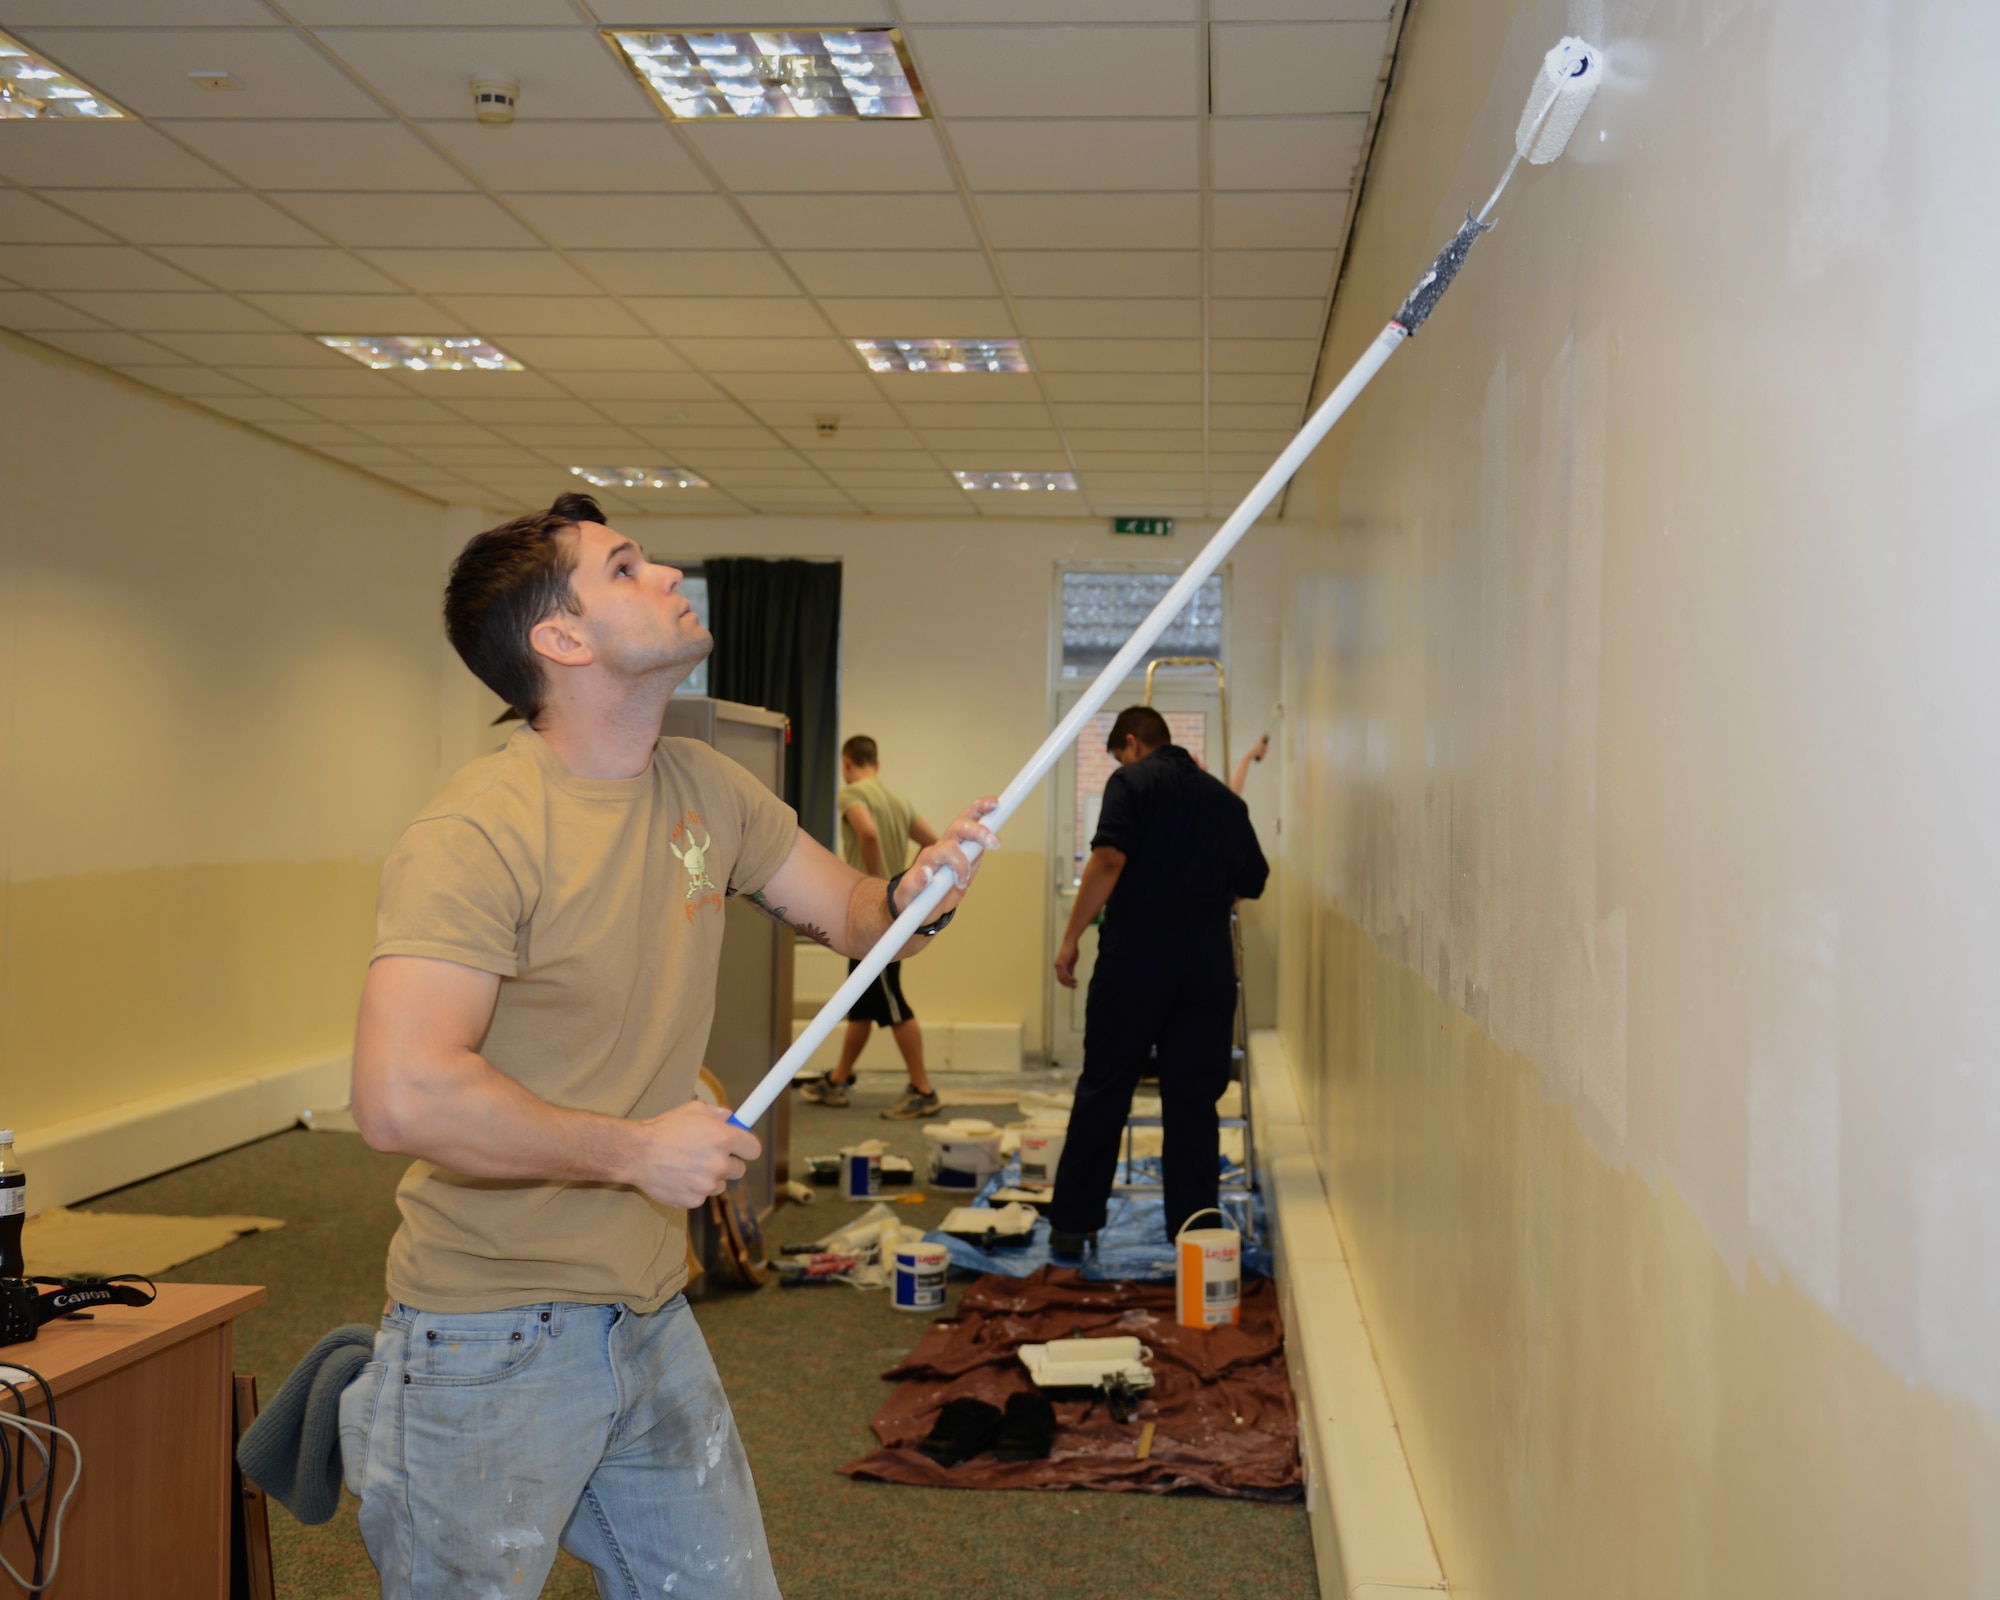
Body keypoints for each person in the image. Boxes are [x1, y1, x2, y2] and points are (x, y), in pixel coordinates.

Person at [346, 492, 997, 1600]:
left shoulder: (701, 787)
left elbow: (850, 910)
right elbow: (401, 1096)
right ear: (561, 638)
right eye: (626, 568)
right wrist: (635, 1151)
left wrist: (917, 893)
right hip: (485, 1335)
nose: (668, 581)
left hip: (645, 1310)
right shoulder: (479, 830)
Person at [1048, 705, 1268, 1252]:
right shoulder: (1223, 799)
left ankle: (1074, 1226)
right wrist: (1203, 897)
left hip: (1137, 956)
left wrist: (1072, 936)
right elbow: (1253, 879)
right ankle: (1194, 1234)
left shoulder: (1131, 781)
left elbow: (1106, 860)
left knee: (1105, 1086)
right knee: (1194, 1098)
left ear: (1131, 743)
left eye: (1120, 753)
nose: (1121, 761)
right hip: (1207, 961)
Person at [800, 735, 945, 1119]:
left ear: (847, 762)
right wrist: (910, 881)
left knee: (893, 1003)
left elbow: (867, 832)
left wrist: (880, 885)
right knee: (861, 1005)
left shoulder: (851, 795)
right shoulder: (897, 800)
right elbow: (934, 842)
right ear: (876, 763)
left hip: (876, 919)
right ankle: (838, 1081)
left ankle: (923, 1090)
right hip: (893, 916)